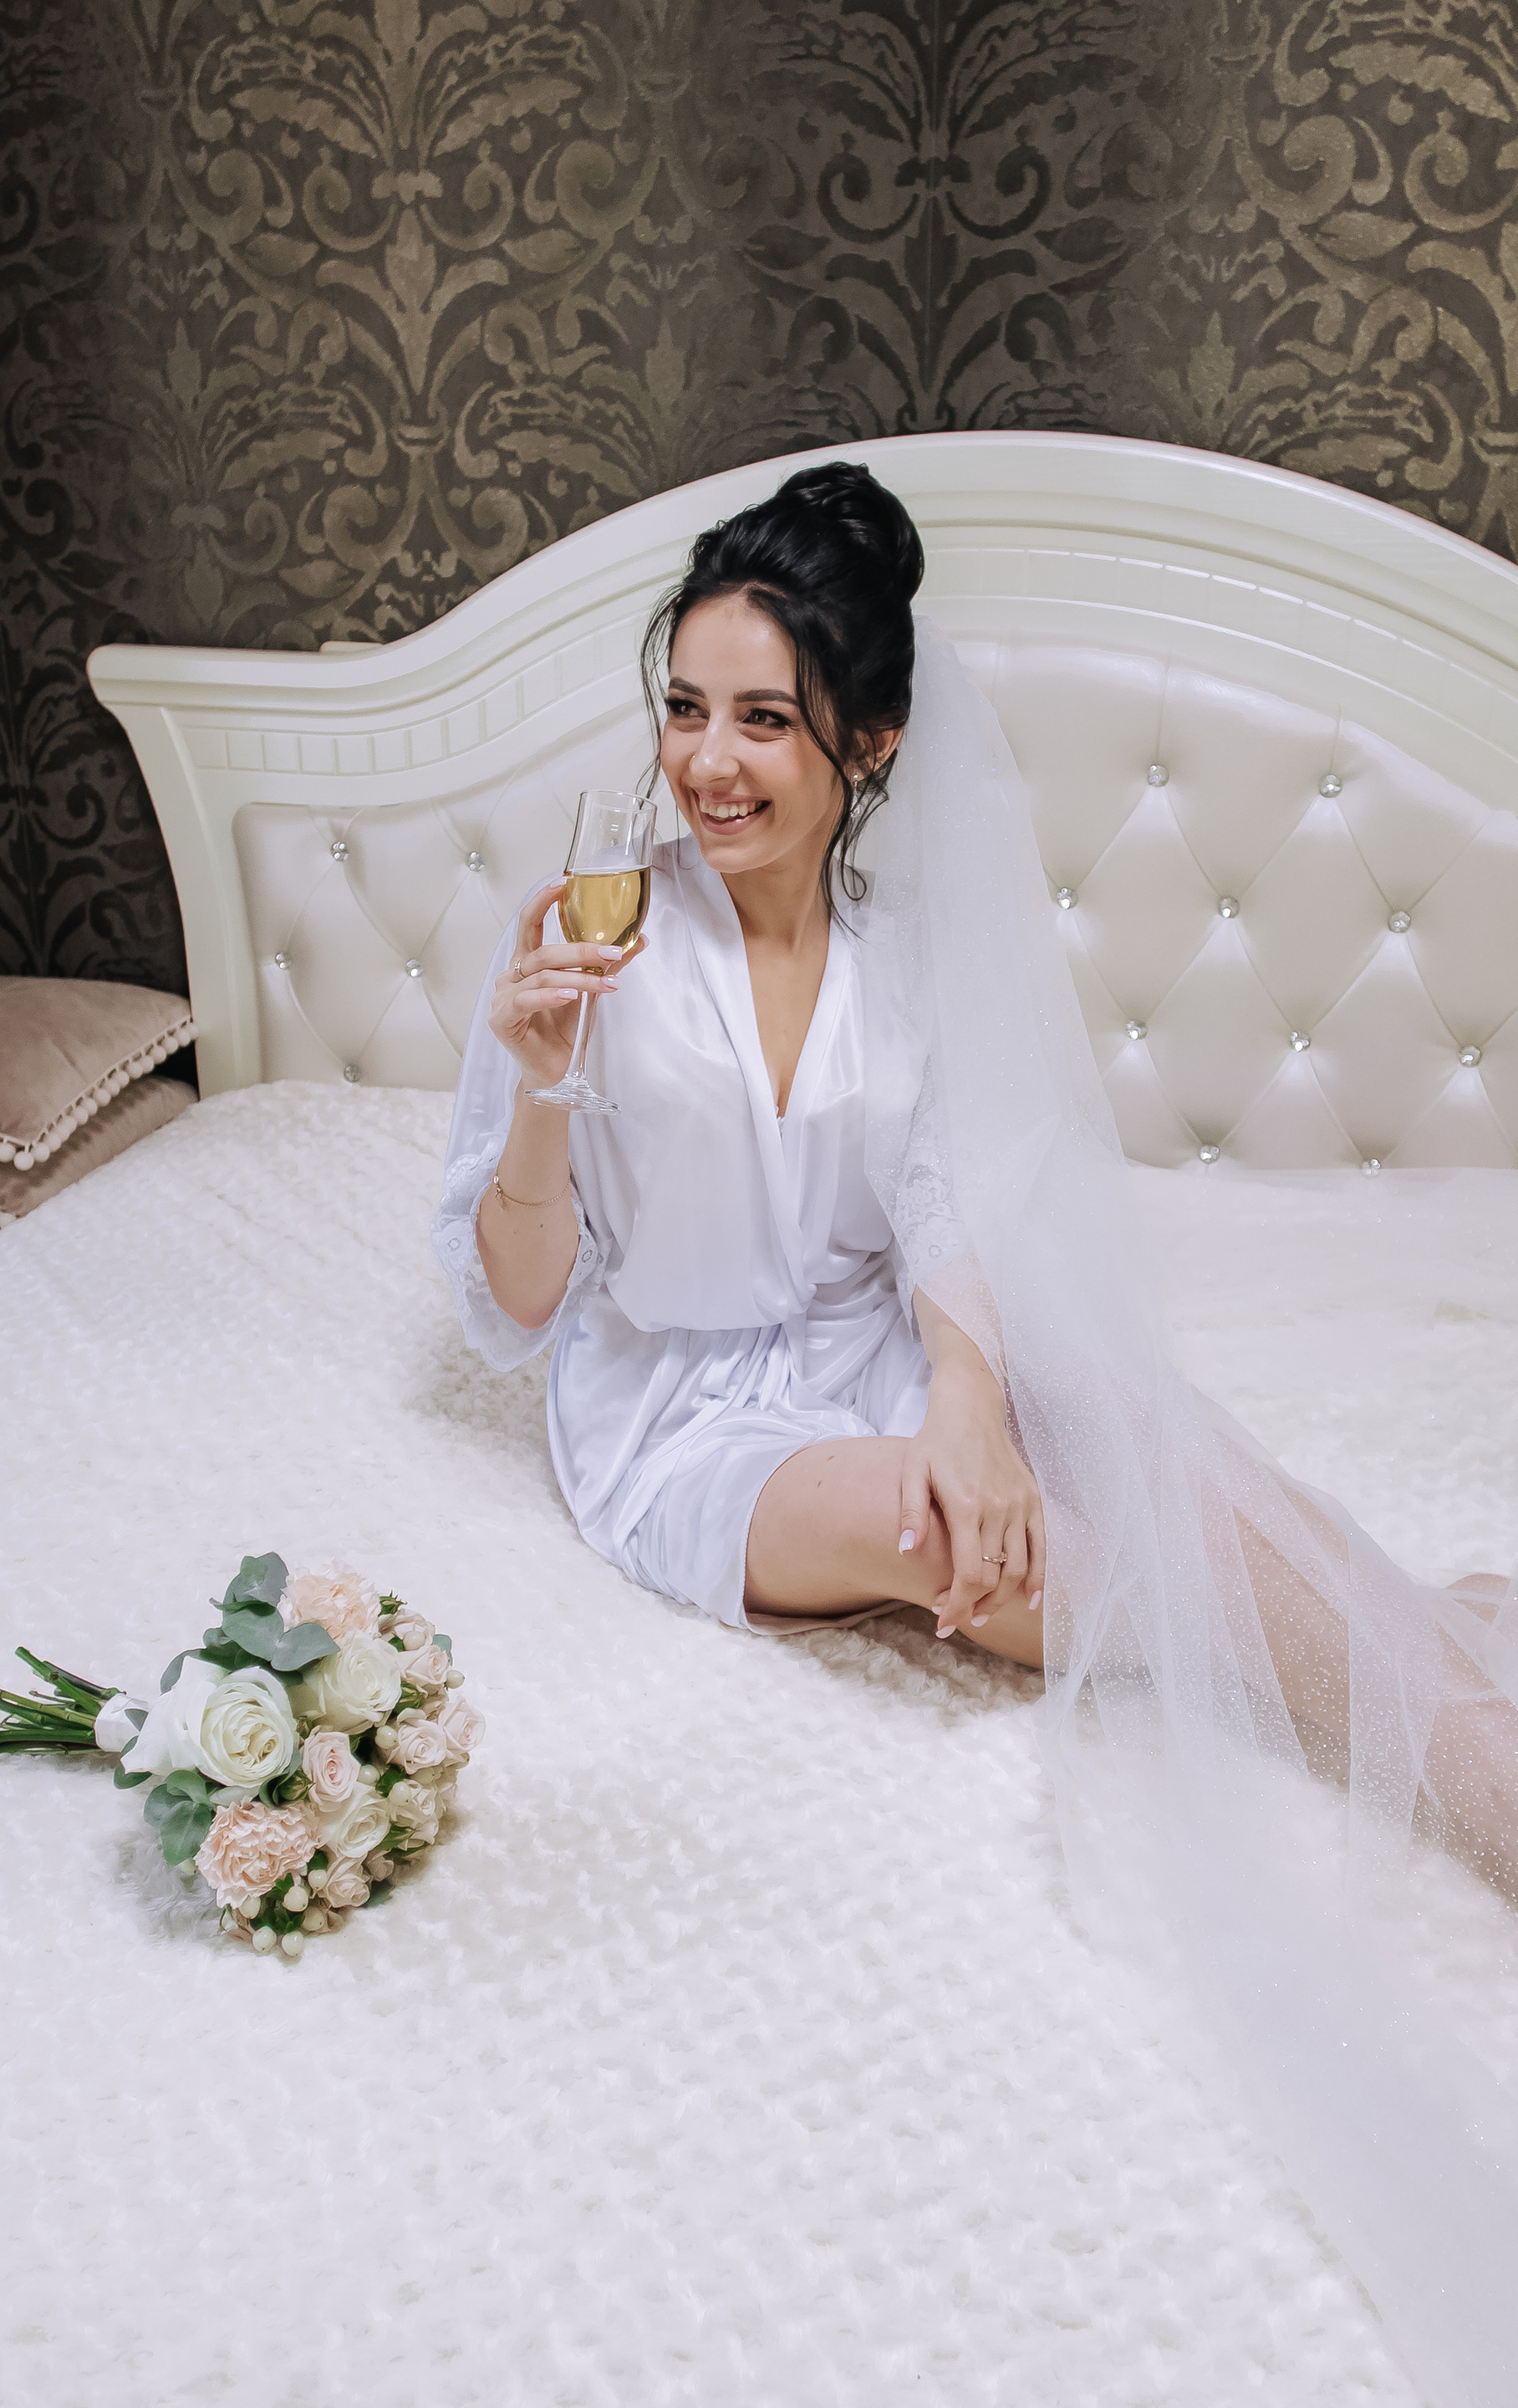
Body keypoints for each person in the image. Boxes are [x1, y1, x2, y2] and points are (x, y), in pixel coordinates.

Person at [436, 461, 1518, 2406]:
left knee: (1164, 1444)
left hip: (881, 1346)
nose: (708, 764)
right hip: (687, 1419)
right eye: (684, 708)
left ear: (870, 744)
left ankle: (1457, 1710)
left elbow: (945, 1200)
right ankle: (1426, 1676)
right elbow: (514, 1307)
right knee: (993, 1554)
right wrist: (534, 1087)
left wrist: (971, 1397)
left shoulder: (896, 955)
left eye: (765, 720)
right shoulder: (588, 948)